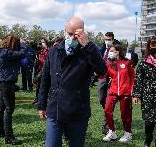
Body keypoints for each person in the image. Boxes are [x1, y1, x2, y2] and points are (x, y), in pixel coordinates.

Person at [38, 17, 107, 147]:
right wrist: (41, 105)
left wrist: (88, 46)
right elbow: (45, 79)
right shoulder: (54, 50)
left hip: (77, 109)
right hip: (55, 108)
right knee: (51, 144)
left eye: (76, 35)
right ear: (65, 31)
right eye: (69, 34)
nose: (72, 38)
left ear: (82, 33)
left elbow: (102, 70)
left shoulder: (88, 51)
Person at [0, 34, 26, 145]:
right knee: (9, 109)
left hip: (4, 82)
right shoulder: (7, 52)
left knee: (1, 107)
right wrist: (23, 44)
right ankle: (9, 136)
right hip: (6, 83)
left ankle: (0, 131)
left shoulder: (4, 51)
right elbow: (22, 54)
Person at [103, 44, 135, 143]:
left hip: (125, 92)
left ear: (118, 51)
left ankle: (127, 133)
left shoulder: (127, 62)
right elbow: (103, 75)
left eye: (113, 51)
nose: (111, 52)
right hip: (113, 91)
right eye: (110, 51)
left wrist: (132, 89)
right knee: (107, 110)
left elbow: (133, 77)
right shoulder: (108, 63)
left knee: (125, 114)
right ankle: (112, 132)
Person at [97, 31, 120, 134]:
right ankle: (107, 113)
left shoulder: (117, 49)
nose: (107, 41)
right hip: (102, 77)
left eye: (109, 39)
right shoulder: (101, 49)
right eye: (106, 39)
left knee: (109, 102)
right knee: (102, 99)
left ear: (113, 39)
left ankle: (106, 125)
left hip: (113, 78)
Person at [32, 38, 49, 104]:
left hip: (45, 70)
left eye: (43, 42)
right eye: (40, 42)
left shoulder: (48, 51)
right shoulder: (39, 51)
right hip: (38, 69)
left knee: (44, 86)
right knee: (37, 85)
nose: (41, 44)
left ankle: (43, 100)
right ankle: (37, 98)